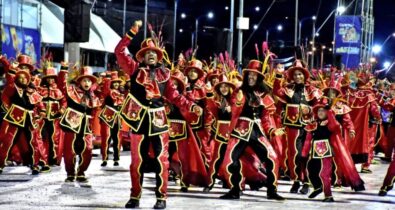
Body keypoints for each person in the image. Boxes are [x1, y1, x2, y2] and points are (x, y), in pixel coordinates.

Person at [115, 20, 202, 209]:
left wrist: (191, 106)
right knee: (137, 161)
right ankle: (135, 196)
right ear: (143, 57)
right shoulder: (134, 69)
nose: (151, 55)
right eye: (147, 53)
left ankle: (161, 198)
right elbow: (119, 52)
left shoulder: (165, 75)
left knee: (162, 161)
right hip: (138, 121)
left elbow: (175, 96)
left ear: (158, 55)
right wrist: (131, 33)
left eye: (154, 52)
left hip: (159, 121)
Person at [220, 59, 285, 200]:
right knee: (230, 161)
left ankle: (272, 191)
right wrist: (237, 101)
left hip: (257, 131)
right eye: (249, 74)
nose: (251, 77)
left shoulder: (264, 95)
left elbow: (266, 118)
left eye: (254, 75)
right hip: (240, 131)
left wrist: (273, 131)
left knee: (272, 158)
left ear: (259, 77)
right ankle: (235, 189)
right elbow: (234, 110)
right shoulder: (239, 91)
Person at [273, 60, 322, 194]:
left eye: (300, 74)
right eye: (295, 75)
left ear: (304, 75)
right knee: (294, 155)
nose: (297, 77)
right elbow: (277, 92)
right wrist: (278, 76)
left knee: (305, 155)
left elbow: (319, 109)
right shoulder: (288, 89)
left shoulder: (312, 90)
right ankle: (296, 180)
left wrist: (310, 111)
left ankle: (306, 181)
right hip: (292, 127)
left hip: (308, 127)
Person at [0, 57, 44, 175]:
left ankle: (35, 165)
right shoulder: (13, 87)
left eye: (26, 76)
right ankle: (0, 164)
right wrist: (4, 60)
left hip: (29, 119)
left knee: (33, 142)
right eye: (21, 77)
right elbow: (10, 77)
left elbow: (39, 102)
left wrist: (42, 111)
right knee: (8, 141)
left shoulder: (32, 89)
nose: (23, 79)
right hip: (15, 117)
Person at [58, 64, 101, 183]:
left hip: (86, 126)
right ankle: (70, 173)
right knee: (69, 151)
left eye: (89, 80)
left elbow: (104, 96)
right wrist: (63, 70)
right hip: (72, 124)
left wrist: (107, 80)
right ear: (80, 81)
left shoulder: (93, 96)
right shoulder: (72, 91)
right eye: (84, 80)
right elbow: (61, 87)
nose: (87, 83)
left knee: (88, 149)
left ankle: (81, 171)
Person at [303, 104, 341, 202]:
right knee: (310, 170)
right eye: (319, 110)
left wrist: (330, 113)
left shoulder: (330, 123)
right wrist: (304, 153)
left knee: (324, 173)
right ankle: (318, 187)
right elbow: (308, 140)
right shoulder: (313, 124)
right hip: (315, 151)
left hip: (327, 152)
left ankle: (328, 196)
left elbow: (336, 126)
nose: (320, 112)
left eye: (323, 111)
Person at [38, 66, 66, 166]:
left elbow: (64, 101)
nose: (50, 80)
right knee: (43, 137)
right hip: (43, 118)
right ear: (45, 79)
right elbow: (38, 100)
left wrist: (62, 108)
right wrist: (41, 109)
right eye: (48, 78)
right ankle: (43, 158)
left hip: (55, 118)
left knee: (55, 138)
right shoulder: (41, 90)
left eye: (52, 78)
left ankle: (53, 158)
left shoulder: (58, 90)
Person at [99, 71, 124, 167]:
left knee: (117, 138)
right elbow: (105, 89)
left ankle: (116, 158)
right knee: (106, 138)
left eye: (118, 82)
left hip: (117, 118)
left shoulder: (121, 93)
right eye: (114, 82)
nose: (116, 84)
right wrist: (108, 79)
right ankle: (104, 158)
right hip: (107, 117)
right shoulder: (107, 92)